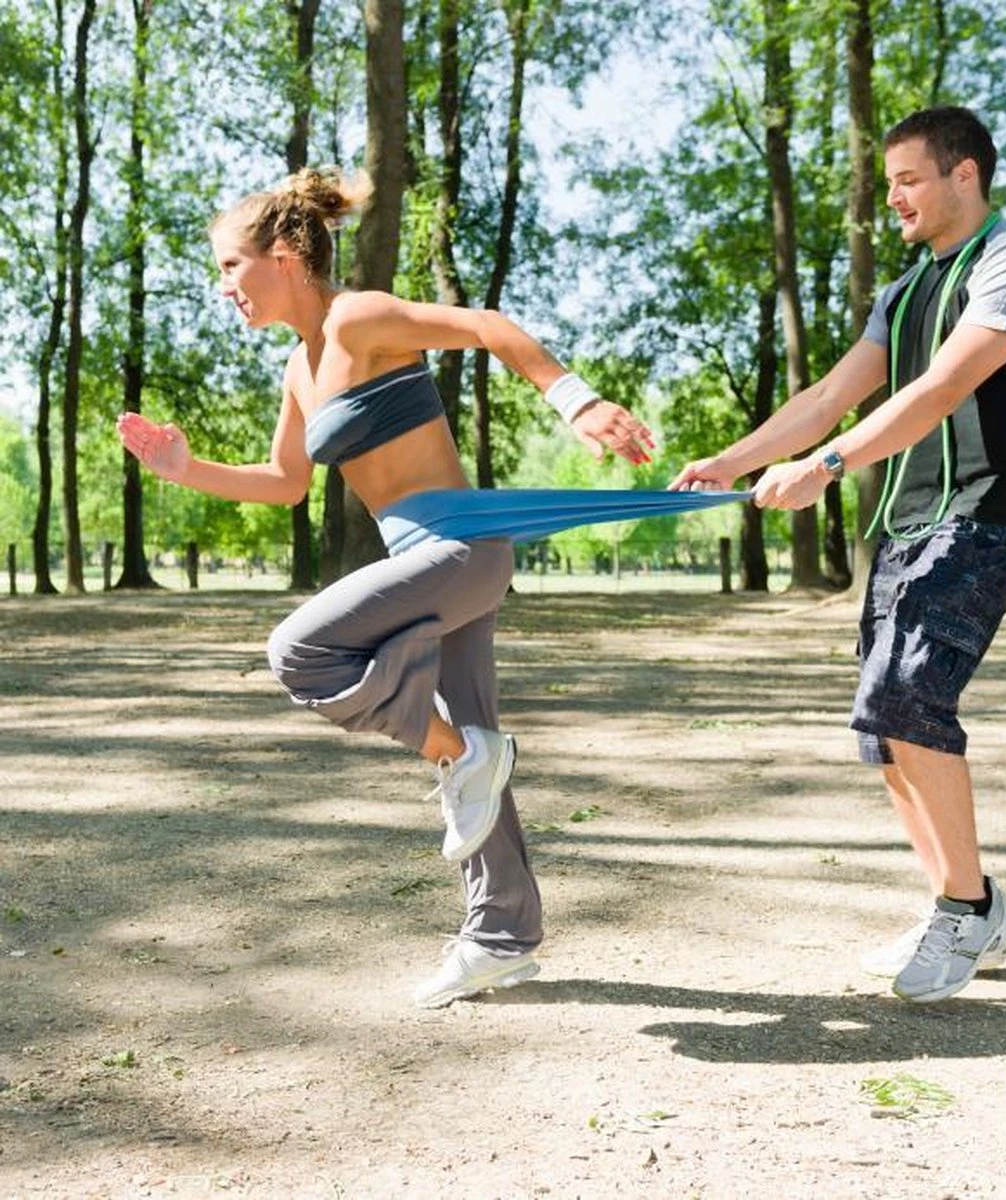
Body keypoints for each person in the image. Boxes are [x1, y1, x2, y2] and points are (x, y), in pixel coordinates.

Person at [116, 167, 656, 1008]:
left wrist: (576, 402)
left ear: (284, 254)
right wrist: (187, 469)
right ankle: (500, 937)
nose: (223, 287)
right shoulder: (301, 368)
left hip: (460, 547)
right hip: (428, 558)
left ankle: (459, 755)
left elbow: (488, 327)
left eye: (230, 265)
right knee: (476, 747)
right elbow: (284, 483)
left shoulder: (359, 317)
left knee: (300, 652)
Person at [672, 106, 1006, 1003]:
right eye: (889, 182)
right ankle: (962, 903)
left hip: (984, 515)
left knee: (907, 697)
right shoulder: (903, 292)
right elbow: (827, 395)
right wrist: (733, 461)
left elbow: (944, 387)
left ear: (965, 174)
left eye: (908, 179)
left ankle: (965, 909)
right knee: (882, 728)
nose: (892, 197)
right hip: (905, 521)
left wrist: (824, 467)